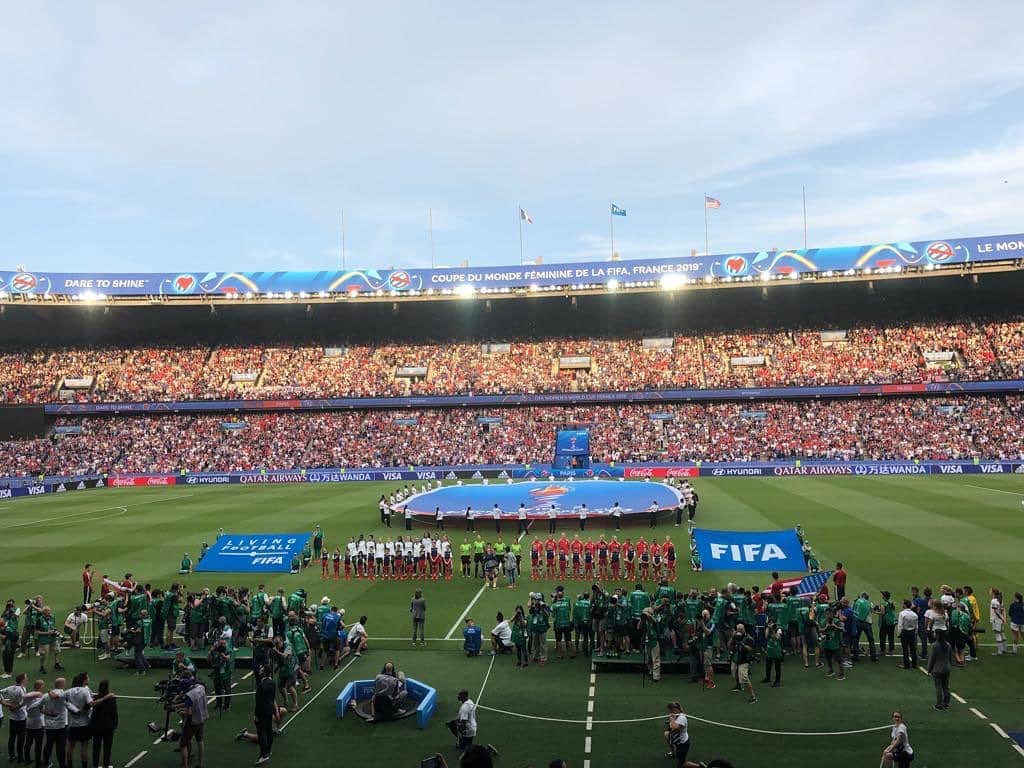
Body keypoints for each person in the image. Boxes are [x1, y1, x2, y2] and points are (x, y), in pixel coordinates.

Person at [41, 676, 71, 768]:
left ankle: (45, 763)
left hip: (49, 725)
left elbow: (40, 708)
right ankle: (62, 765)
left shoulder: (45, 696)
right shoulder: (64, 694)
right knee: (61, 747)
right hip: (61, 726)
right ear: (61, 684)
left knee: (48, 745)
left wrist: (49, 714)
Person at [179, 678, 209, 768]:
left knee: (183, 744)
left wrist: (181, 711)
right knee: (200, 741)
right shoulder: (200, 688)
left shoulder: (189, 695)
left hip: (193, 721)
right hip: (202, 718)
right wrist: (177, 706)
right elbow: (192, 704)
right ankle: (200, 764)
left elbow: (189, 712)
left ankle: (185, 766)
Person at [664, 701, 702, 768]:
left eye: (670, 710)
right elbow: (671, 727)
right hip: (676, 741)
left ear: (675, 710)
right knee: (667, 734)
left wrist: (672, 719)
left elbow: (675, 727)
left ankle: (699, 766)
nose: (669, 712)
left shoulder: (682, 718)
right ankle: (674, 753)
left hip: (683, 744)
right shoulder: (675, 716)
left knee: (682, 764)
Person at [1, 672, 29, 763]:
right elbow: (24, 702)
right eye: (26, 678)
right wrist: (15, 707)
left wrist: (4, 703)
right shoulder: (22, 689)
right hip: (21, 718)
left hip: (12, 718)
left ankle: (12, 755)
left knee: (12, 738)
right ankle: (20, 757)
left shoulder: (10, 688)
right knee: (21, 739)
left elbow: (0, 692)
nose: (27, 679)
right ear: (23, 680)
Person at [90, 680, 118, 768]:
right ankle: (106, 765)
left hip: (97, 726)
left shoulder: (95, 698)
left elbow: (93, 713)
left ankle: (95, 765)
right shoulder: (112, 699)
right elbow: (114, 713)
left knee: (96, 747)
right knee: (107, 747)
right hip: (108, 726)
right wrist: (115, 724)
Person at [927, 629, 952, 711]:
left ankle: (939, 704)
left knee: (938, 687)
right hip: (946, 668)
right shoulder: (948, 645)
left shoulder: (935, 645)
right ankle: (946, 703)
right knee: (946, 687)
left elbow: (932, 659)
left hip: (937, 669)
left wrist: (929, 669)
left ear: (937, 635)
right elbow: (950, 658)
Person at [897, 600, 919, 670]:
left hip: (905, 632)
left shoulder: (902, 613)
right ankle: (914, 664)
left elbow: (900, 625)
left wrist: (899, 634)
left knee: (905, 649)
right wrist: (915, 633)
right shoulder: (915, 614)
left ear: (905, 605)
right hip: (912, 632)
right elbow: (916, 626)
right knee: (913, 649)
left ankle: (906, 665)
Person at [990, 588, 1007, 656]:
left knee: (997, 634)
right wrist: (1004, 618)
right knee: (1002, 633)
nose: (989, 592)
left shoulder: (993, 601)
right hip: (1000, 620)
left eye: (990, 591)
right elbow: (1002, 610)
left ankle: (999, 651)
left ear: (993, 592)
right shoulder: (1000, 600)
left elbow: (996, 612)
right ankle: (1004, 649)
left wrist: (1002, 618)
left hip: (996, 620)